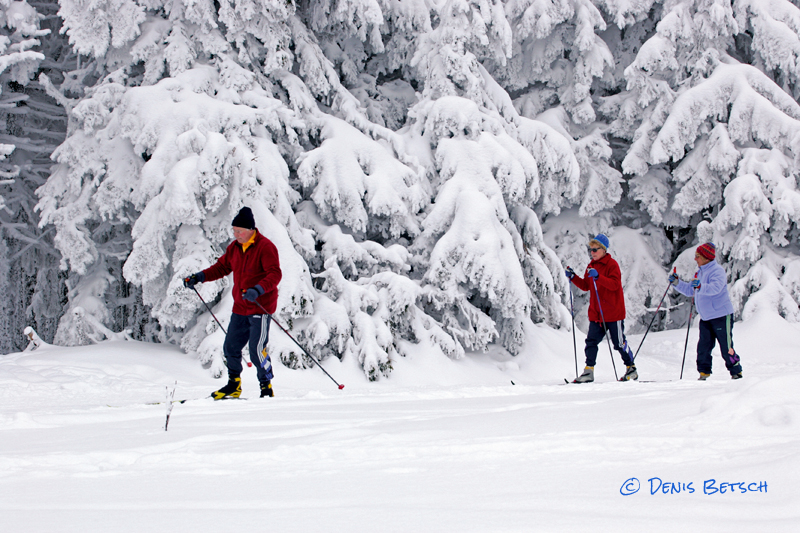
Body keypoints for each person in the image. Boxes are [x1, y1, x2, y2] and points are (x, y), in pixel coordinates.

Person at [184, 207, 282, 398]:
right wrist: (199, 277)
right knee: (230, 347)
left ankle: (266, 387)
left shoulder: (265, 247)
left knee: (256, 350)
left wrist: (258, 290)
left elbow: (275, 274)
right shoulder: (234, 248)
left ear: (251, 230)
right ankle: (233, 385)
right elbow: (221, 268)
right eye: (234, 231)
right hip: (240, 307)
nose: (236, 235)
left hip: (260, 308)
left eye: (239, 231)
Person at [566, 234, 637, 383]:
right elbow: (586, 286)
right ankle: (588, 371)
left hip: (613, 313)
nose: (592, 253)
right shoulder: (591, 266)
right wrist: (573, 277)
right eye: (590, 250)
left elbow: (615, 285)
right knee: (591, 342)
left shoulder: (612, 265)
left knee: (618, 343)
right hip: (597, 314)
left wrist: (599, 277)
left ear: (603, 250)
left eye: (595, 249)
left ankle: (631, 368)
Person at [669, 242, 742, 380]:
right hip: (706, 317)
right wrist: (677, 283)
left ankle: (736, 371)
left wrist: (701, 286)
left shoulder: (717, 271)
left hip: (721, 315)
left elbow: (716, 288)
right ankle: (704, 372)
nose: (695, 259)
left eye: (698, 256)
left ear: (706, 257)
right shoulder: (699, 272)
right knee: (703, 347)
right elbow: (692, 290)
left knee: (726, 346)